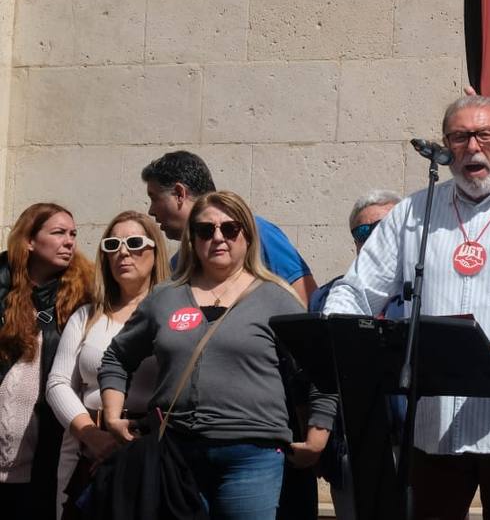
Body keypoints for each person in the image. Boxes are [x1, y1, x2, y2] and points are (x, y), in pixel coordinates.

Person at [324, 94, 490, 520]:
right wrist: (335, 332)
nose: (472, 147)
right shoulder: (413, 212)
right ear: (446, 145)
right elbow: (357, 288)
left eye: (484, 135)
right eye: (459, 137)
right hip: (435, 426)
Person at [100, 192, 337, 520]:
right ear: (192, 238)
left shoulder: (276, 298)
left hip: (251, 459)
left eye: (230, 229)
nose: (218, 237)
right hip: (174, 456)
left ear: (247, 236)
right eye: (205, 230)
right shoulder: (165, 297)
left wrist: (318, 436)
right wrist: (112, 416)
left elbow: (322, 370)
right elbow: (117, 356)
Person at [46, 210, 169, 518]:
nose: (123, 252)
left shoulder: (174, 314)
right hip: (86, 450)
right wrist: (91, 435)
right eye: (112, 245)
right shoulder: (86, 315)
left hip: (151, 449)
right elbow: (58, 383)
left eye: (135, 242)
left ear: (156, 250)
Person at [307, 189, 403, 520]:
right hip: (351, 450)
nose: (376, 237)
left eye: (387, 227)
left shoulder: (425, 292)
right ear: (354, 241)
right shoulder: (327, 297)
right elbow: (315, 372)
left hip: (416, 449)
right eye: (365, 231)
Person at [0, 203, 94, 520]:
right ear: (29, 240)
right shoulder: (3, 289)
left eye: (73, 234)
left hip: (45, 456)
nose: (69, 241)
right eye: (58, 233)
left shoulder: (82, 297)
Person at [141, 151, 317, 302]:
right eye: (206, 232)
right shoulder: (178, 264)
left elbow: (305, 301)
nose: (151, 210)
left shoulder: (259, 233)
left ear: (180, 194)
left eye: (154, 197)